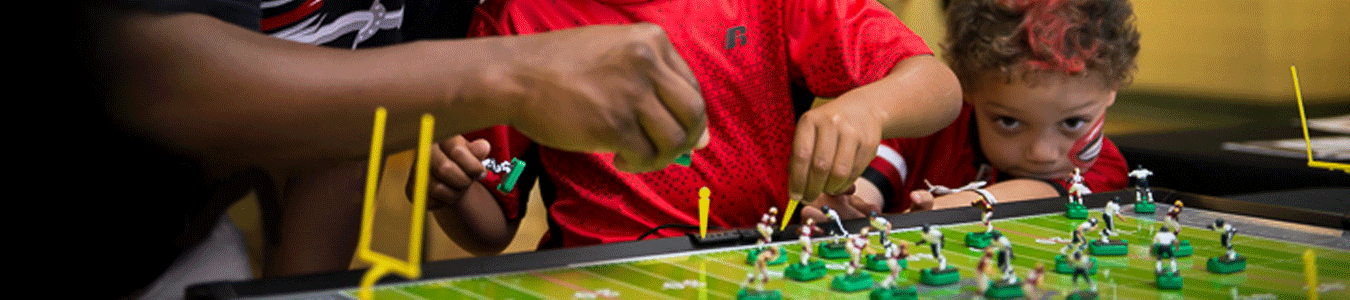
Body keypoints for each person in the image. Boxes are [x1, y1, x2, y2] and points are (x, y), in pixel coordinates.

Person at [72, 0, 710, 297]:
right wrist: (510, 75)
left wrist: (303, 290)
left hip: (188, 251)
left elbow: (343, 122)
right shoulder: (519, 26)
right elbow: (137, 71)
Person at [415, 0, 963, 252]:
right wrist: (450, 191)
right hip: (592, 275)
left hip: (760, 266)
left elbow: (939, 86)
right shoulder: (516, 23)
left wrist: (871, 108)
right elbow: (491, 227)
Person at [803, 0, 1138, 219]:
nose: (1042, 153)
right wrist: (846, 206)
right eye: (1008, 121)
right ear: (967, 88)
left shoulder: (1102, 169)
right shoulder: (931, 131)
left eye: (1073, 122)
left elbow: (1043, 197)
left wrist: (949, 210)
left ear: (1113, 90)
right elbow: (870, 181)